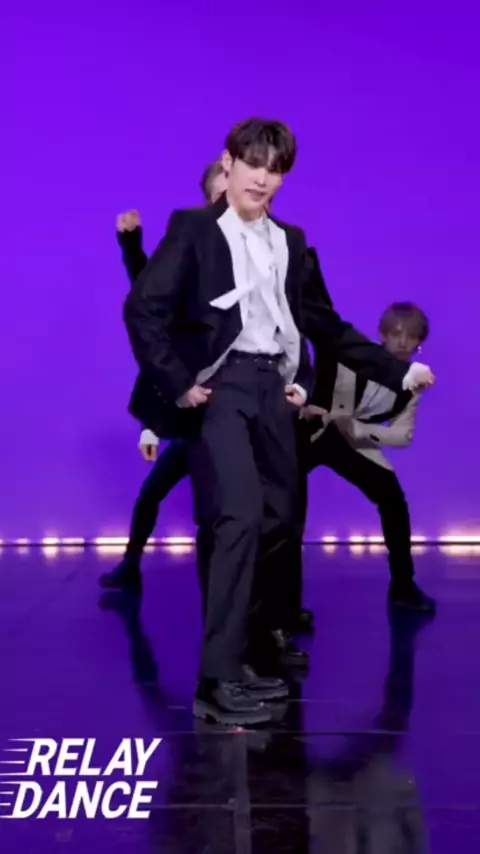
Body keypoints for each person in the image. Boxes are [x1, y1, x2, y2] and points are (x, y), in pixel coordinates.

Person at [123, 117, 434, 726]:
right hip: (221, 388)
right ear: (229, 163)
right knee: (238, 516)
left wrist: (396, 373)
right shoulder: (194, 229)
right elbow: (143, 308)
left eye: (274, 170)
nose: (262, 178)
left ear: (283, 178)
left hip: (274, 391)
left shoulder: (290, 241)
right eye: (252, 164)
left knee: (280, 520)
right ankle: (216, 679)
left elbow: (324, 324)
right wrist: (179, 383)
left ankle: (246, 655)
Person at [99, 160, 228, 591]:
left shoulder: (264, 247)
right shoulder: (192, 245)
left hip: (234, 409)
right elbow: (150, 292)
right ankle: (130, 566)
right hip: (193, 410)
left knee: (247, 510)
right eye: (221, 191)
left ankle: (264, 604)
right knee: (159, 495)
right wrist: (131, 244)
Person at [286, 301, 436, 623]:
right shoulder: (351, 352)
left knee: (393, 500)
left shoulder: (413, 381)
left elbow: (402, 435)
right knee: (288, 513)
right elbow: (307, 368)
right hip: (307, 431)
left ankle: (403, 587)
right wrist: (304, 402)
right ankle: (286, 607)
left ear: (419, 342)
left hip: (349, 439)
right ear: (382, 334)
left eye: (411, 336)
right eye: (396, 333)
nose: (402, 342)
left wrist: (357, 429)